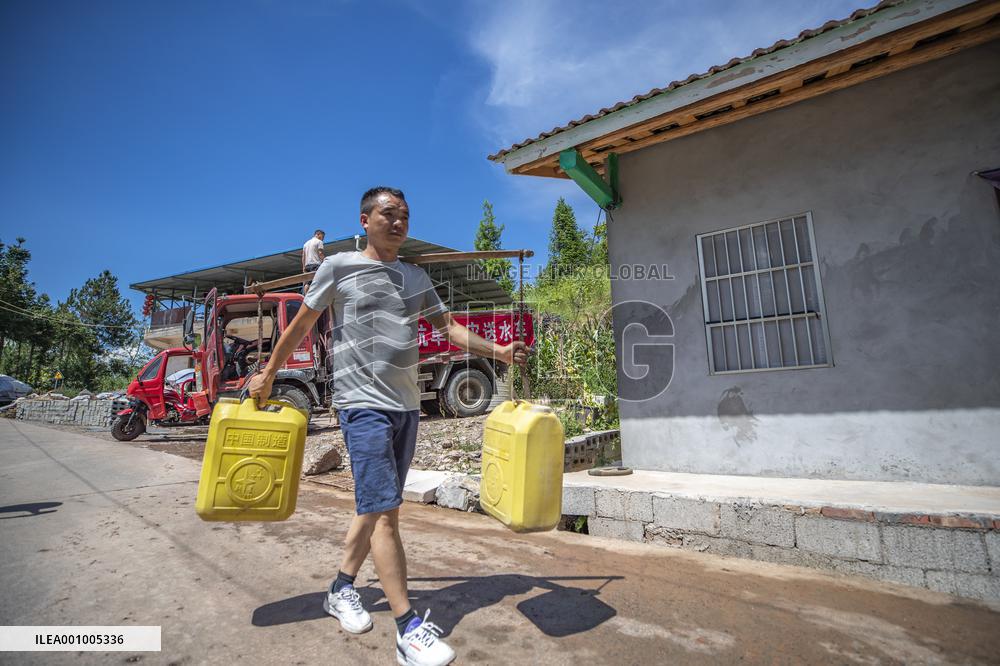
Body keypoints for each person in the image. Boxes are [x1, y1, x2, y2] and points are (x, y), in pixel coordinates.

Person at [248, 187, 528, 666]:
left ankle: (340, 588)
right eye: (388, 214)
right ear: (364, 220)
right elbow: (301, 322)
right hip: (362, 406)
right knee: (383, 512)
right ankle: (407, 629)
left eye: (405, 216)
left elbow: (448, 328)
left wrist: (498, 351)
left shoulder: (414, 276)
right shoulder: (337, 268)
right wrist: (271, 369)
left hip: (406, 407)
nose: (398, 222)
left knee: (379, 507)